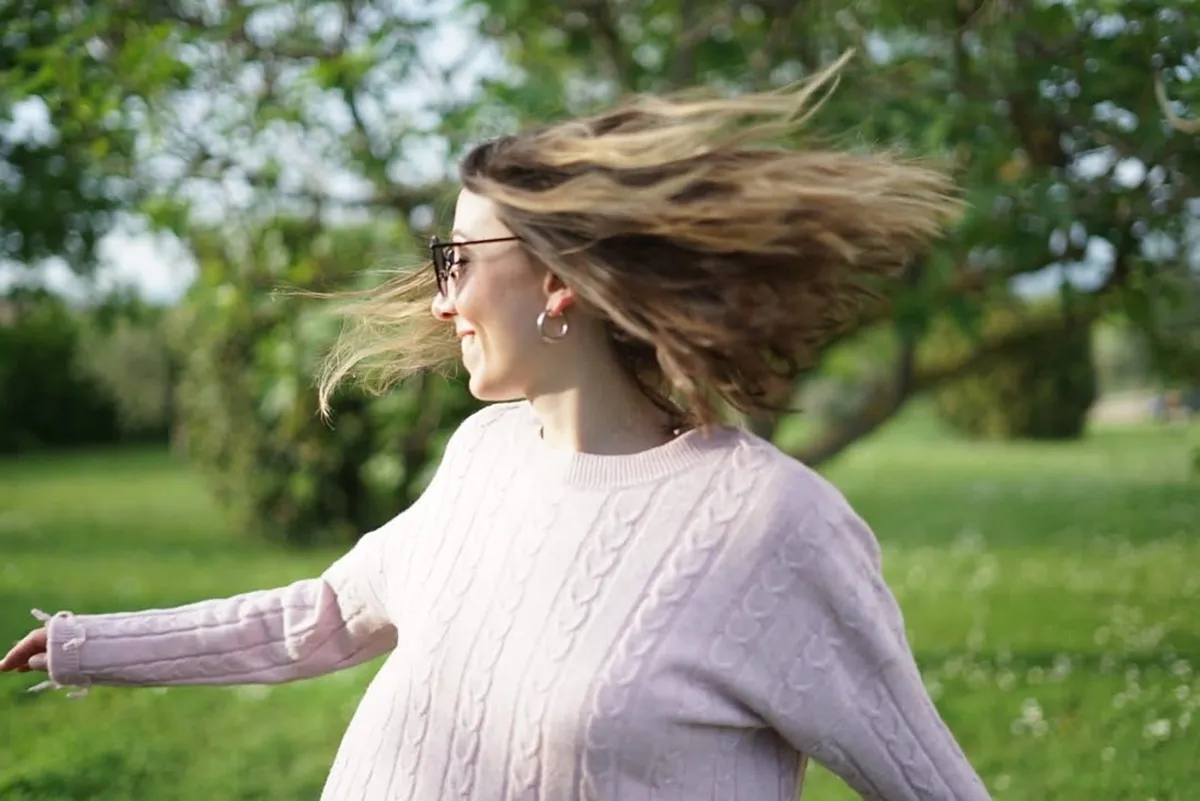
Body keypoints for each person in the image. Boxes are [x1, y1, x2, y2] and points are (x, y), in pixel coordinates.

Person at [2, 55, 992, 801]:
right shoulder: (484, 456)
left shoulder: (772, 524)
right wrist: (90, 645)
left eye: (458, 261)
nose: (441, 299)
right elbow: (327, 613)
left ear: (557, 281)